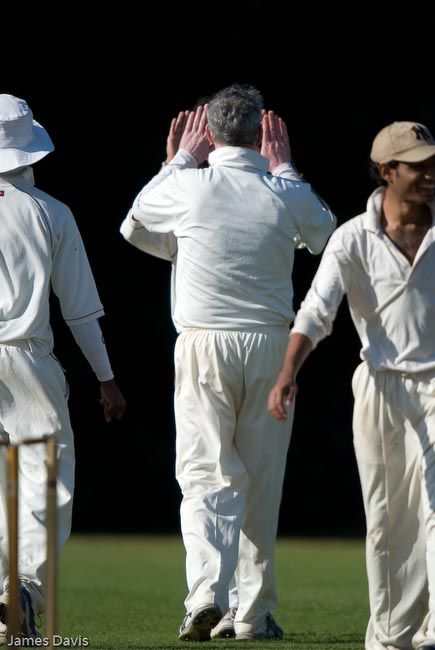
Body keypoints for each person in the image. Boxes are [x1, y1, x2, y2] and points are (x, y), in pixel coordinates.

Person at [121, 83, 336, 642]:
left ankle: (205, 597)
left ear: (211, 135)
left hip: (204, 344)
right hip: (270, 345)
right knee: (261, 479)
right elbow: (324, 232)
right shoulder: (281, 189)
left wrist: (177, 160)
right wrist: (285, 167)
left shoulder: (187, 186)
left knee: (204, 474)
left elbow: (135, 218)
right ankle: (252, 614)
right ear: (262, 135)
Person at [268, 120, 435, 650]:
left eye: (433, 164)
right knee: (387, 519)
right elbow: (316, 311)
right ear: (386, 171)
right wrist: (287, 373)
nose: (430, 174)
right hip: (380, 389)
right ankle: (390, 636)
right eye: (417, 166)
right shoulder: (352, 238)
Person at [0, 94, 127, 645]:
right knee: (45, 478)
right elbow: (80, 309)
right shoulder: (51, 212)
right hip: (27, 358)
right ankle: (23, 589)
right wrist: (106, 378)